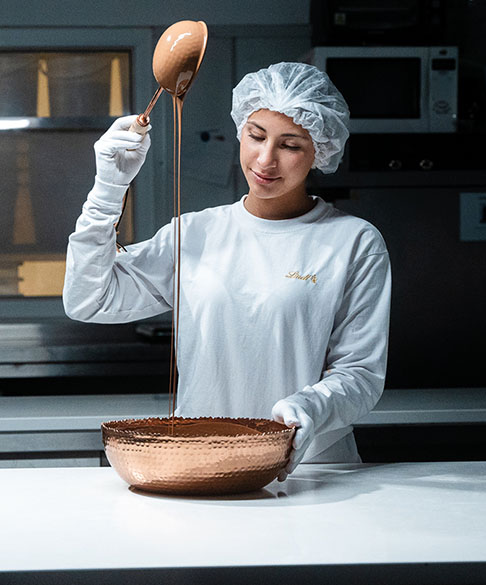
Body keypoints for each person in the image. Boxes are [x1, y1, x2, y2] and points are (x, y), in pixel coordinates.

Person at [63, 61, 390, 478]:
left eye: (290, 145)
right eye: (256, 136)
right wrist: (108, 189)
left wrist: (312, 406)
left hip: (312, 471)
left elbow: (360, 373)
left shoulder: (353, 242)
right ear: (240, 132)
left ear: (319, 151)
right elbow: (87, 300)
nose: (266, 159)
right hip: (200, 463)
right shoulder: (194, 233)